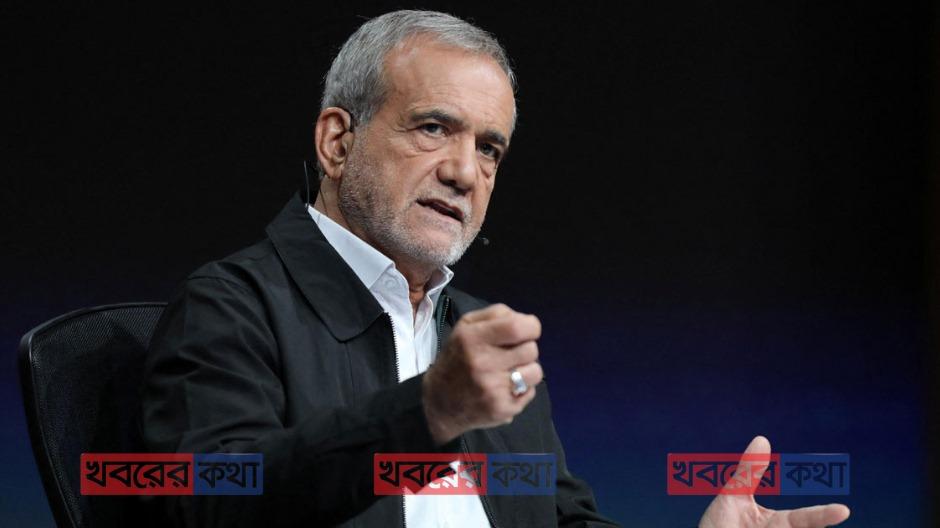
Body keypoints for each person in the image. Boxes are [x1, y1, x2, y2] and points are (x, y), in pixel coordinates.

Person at [140, 10, 850, 527]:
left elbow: (562, 520)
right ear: (337, 142)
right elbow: (210, 504)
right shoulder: (231, 306)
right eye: (433, 128)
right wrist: (428, 413)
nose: (464, 172)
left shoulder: (481, 331)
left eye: (489, 149)